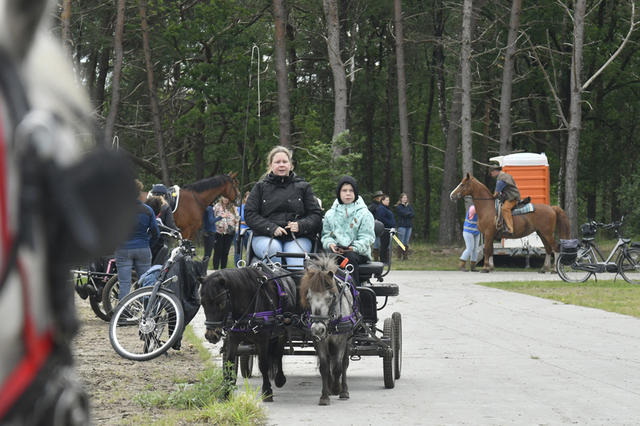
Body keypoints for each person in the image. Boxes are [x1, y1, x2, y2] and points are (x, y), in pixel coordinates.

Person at [245, 146, 323, 268]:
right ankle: (275, 286)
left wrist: (301, 225)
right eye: (277, 162)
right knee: (274, 252)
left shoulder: (303, 187)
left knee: (294, 256)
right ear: (270, 165)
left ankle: (295, 285)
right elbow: (250, 215)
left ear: (290, 164)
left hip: (297, 237)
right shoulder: (259, 188)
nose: (281, 165)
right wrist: (270, 228)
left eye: (284, 162)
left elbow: (316, 215)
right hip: (265, 236)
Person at [322, 176, 375, 286]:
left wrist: (352, 248)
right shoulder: (330, 214)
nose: (348, 194)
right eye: (344, 190)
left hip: (357, 252)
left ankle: (352, 291)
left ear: (355, 193)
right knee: (325, 259)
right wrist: (330, 244)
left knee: (349, 258)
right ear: (339, 193)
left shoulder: (364, 214)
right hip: (336, 250)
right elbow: (326, 235)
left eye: (351, 191)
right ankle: (327, 291)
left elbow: (367, 238)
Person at [115, 179, 159, 300]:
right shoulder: (148, 210)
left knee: (124, 284)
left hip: (123, 249)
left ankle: (123, 314)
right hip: (143, 248)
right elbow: (156, 233)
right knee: (146, 282)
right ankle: (146, 312)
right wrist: (149, 244)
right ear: (139, 193)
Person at [490, 165, 520, 236]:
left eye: (491, 173)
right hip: (513, 195)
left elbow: (496, 194)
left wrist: (491, 197)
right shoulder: (507, 176)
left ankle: (510, 230)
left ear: (495, 171)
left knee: (505, 209)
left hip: (512, 197)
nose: (491, 175)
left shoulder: (500, 180)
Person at [212, 196, 239, 269]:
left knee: (225, 252)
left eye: (227, 198)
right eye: (224, 197)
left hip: (229, 233)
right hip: (219, 232)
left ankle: (223, 269)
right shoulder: (217, 206)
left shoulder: (233, 208)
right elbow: (212, 218)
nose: (225, 199)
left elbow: (237, 219)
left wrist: (236, 228)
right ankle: (215, 270)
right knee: (217, 252)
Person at [459, 204, 480, 272]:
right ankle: (461, 264)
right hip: (468, 231)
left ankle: (473, 265)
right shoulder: (473, 208)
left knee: (475, 249)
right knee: (470, 248)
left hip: (476, 231)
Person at [395, 193, 415, 260]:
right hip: (402, 225)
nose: (405, 199)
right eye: (403, 198)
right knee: (401, 240)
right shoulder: (399, 207)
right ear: (401, 199)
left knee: (406, 241)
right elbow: (403, 214)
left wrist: (408, 214)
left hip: (409, 225)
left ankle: (405, 256)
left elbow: (413, 214)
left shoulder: (408, 206)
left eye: (406, 198)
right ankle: (399, 256)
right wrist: (408, 214)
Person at [376, 195, 396, 264]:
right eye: (387, 200)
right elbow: (381, 218)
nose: (388, 202)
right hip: (385, 229)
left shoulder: (386, 208)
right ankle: (382, 260)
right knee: (384, 245)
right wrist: (390, 223)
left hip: (389, 229)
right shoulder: (381, 208)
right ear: (382, 201)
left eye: (389, 200)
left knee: (387, 244)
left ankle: (386, 259)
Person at [234, 191, 252, 266]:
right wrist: (246, 222)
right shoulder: (239, 208)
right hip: (240, 232)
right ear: (244, 198)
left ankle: (248, 266)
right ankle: (238, 266)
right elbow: (236, 220)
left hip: (250, 232)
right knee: (238, 251)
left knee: (249, 252)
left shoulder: (253, 208)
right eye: (247, 198)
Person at [202, 202, 221, 269]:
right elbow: (211, 221)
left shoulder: (206, 208)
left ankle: (203, 269)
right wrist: (221, 217)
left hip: (206, 231)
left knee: (207, 253)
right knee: (208, 253)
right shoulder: (209, 208)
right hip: (210, 232)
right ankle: (203, 270)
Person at [368, 190, 384, 261]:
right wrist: (374, 220)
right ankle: (376, 258)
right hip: (375, 226)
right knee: (376, 242)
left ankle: (379, 258)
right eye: (380, 197)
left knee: (380, 242)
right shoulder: (373, 206)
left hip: (380, 225)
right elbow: (368, 214)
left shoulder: (380, 206)